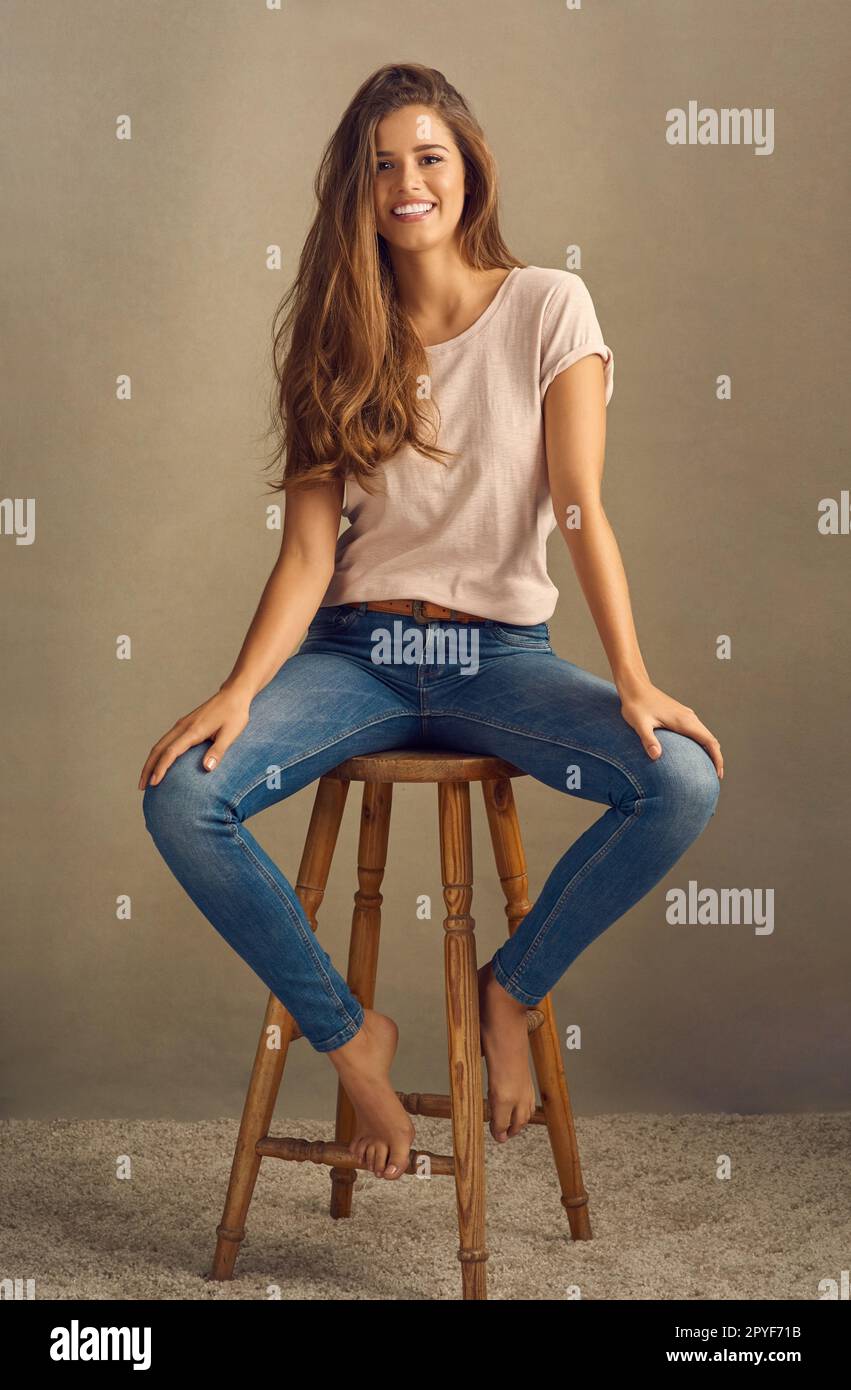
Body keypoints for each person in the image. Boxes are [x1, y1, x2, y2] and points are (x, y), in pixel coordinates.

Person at [140, 63, 722, 1186]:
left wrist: (635, 680)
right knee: (182, 794)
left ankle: (508, 990)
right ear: (355, 192)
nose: (406, 183)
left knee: (682, 782)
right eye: (380, 166)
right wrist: (237, 690)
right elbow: (309, 554)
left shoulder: (551, 306)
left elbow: (578, 507)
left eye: (427, 157)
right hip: (356, 656)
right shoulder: (329, 335)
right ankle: (352, 1035)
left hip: (495, 659)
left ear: (468, 169)